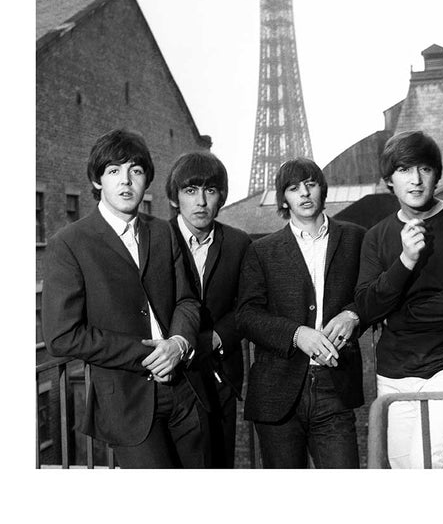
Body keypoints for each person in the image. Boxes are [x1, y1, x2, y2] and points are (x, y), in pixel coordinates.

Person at [42, 128, 204, 469]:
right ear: (97, 180)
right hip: (127, 403)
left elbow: (188, 300)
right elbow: (61, 336)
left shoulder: (162, 231)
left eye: (136, 171)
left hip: (185, 391)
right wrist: (148, 354)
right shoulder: (70, 243)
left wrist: (177, 343)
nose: (126, 181)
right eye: (114, 171)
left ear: (147, 180)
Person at [354, 131, 443, 468]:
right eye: (403, 170)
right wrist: (405, 262)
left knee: (430, 462)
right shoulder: (377, 237)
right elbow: (366, 305)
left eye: (425, 169)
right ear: (389, 179)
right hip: (395, 373)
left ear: (437, 174)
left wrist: (395, 315)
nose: (415, 180)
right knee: (404, 472)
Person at [236, 158, 365, 468]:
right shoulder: (262, 250)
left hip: (334, 386)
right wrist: (296, 335)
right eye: (294, 188)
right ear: (284, 199)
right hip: (278, 391)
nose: (304, 194)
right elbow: (246, 315)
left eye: (311, 184)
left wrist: (353, 314)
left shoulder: (355, 238)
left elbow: (371, 294)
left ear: (323, 189)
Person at [166, 151, 251, 467]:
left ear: (221, 197)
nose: (201, 201)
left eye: (210, 191)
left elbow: (248, 306)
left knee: (218, 466)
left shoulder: (239, 243)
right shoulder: (157, 239)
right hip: (171, 377)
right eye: (190, 191)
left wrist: (216, 337)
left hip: (219, 374)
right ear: (175, 198)